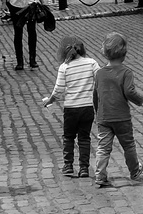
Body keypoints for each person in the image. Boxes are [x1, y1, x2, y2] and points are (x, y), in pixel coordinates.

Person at [90, 32, 143, 187]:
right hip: (122, 117)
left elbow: (95, 94)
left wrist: (98, 112)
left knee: (103, 148)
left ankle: (100, 174)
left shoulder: (99, 73)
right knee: (128, 145)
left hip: (104, 117)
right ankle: (134, 170)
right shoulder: (126, 72)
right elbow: (129, 92)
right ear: (124, 53)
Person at [40, 35, 99, 178]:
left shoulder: (64, 67)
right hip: (87, 107)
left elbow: (58, 90)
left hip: (71, 108)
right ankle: (84, 168)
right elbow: (100, 80)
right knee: (84, 138)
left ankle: (68, 165)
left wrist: (50, 101)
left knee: (68, 137)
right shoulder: (91, 63)